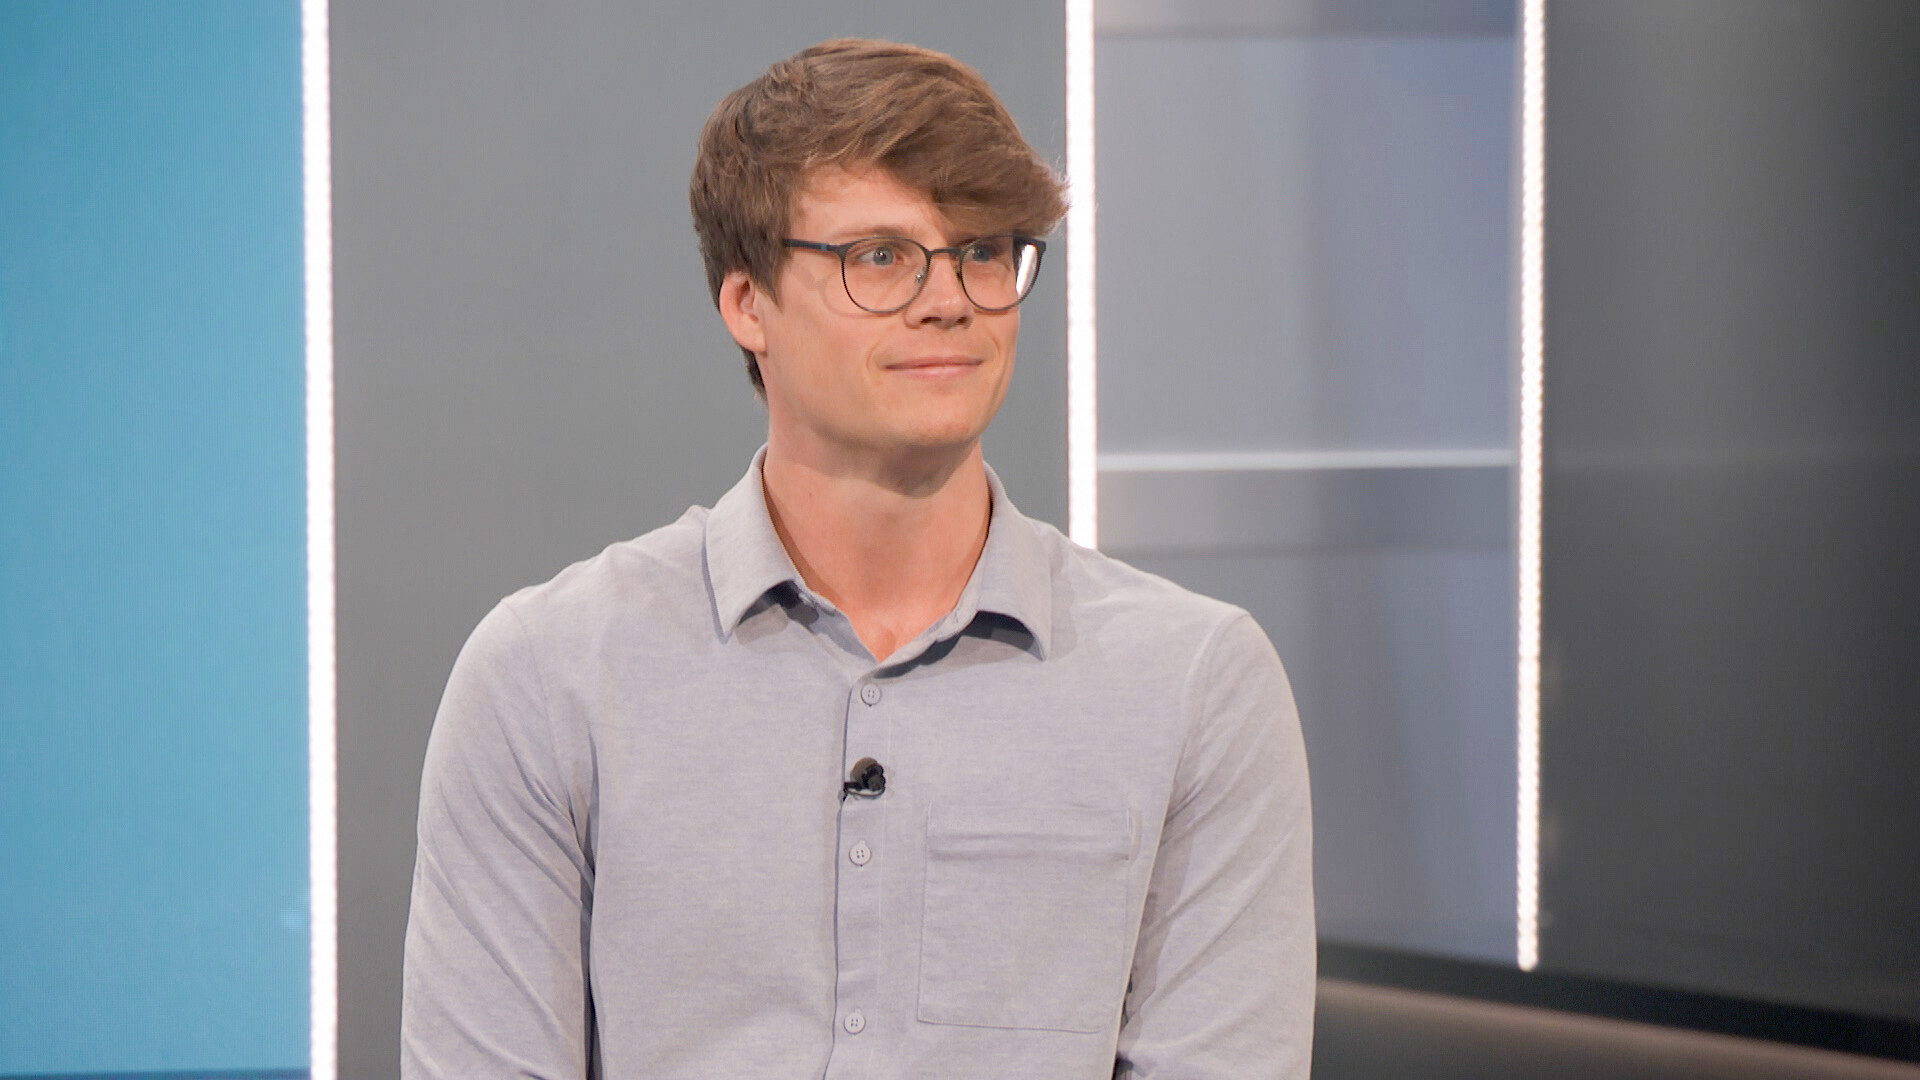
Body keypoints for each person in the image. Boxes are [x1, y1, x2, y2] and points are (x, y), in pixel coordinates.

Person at [401, 38, 1313, 1080]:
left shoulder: (1195, 685)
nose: (949, 298)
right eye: (879, 256)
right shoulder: (546, 677)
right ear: (748, 303)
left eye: (982, 251)